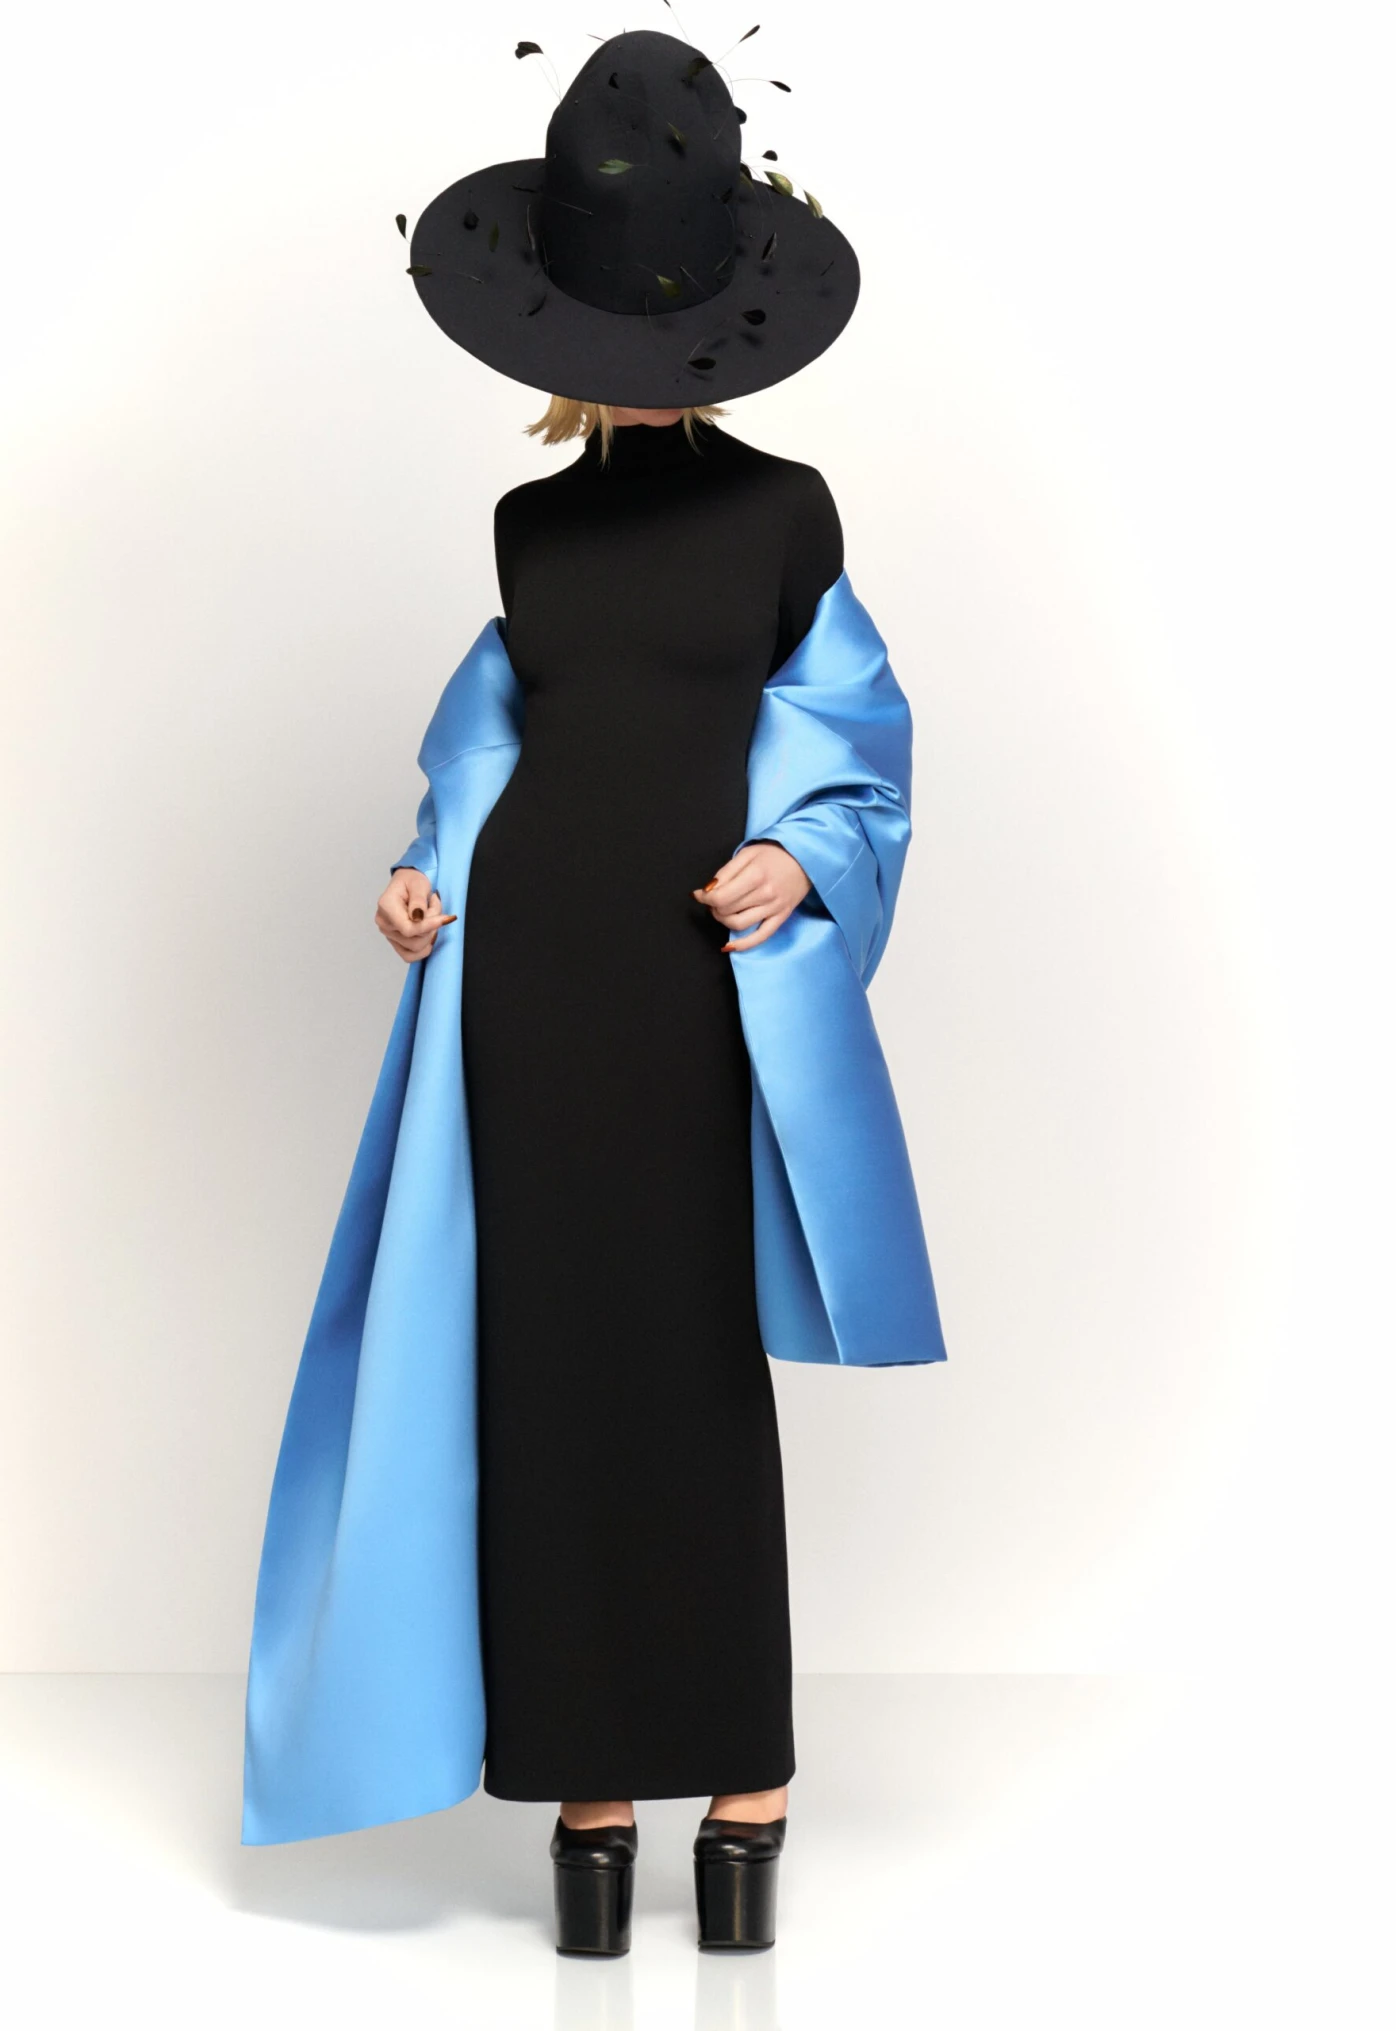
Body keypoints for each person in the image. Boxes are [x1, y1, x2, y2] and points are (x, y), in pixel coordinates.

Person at [240, 28, 946, 1958]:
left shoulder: (786, 511)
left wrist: (802, 858)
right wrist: (423, 874)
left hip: (691, 984)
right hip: (527, 990)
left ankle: (745, 1777)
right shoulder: (530, 526)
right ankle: (589, 1790)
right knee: (542, 1367)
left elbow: (858, 745)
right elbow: (489, 756)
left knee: (692, 1365)